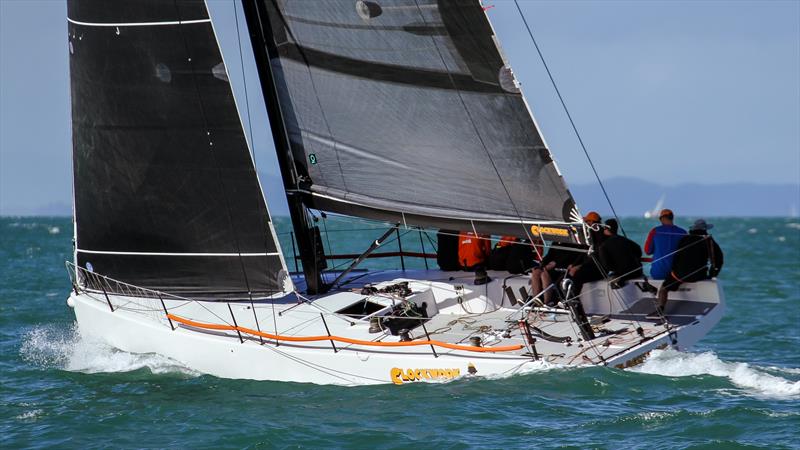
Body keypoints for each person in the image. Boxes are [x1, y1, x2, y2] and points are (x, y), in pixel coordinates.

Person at [652, 219, 724, 317]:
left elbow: (676, 258)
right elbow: (718, 259)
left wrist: (673, 272)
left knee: (664, 288)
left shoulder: (684, 239)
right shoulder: (708, 240)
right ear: (705, 229)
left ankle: (660, 309)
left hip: (678, 275)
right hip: (698, 276)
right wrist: (712, 274)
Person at [598, 218, 643, 286]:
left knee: (612, 277)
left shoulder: (603, 245)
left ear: (607, 229)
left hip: (623, 274)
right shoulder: (626, 240)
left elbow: (607, 266)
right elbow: (639, 250)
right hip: (637, 271)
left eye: (604, 228)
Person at [644, 209, 687, 279]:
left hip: (658, 274)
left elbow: (647, 251)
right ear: (672, 218)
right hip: (677, 275)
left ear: (662, 219)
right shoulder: (683, 232)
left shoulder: (654, 231)